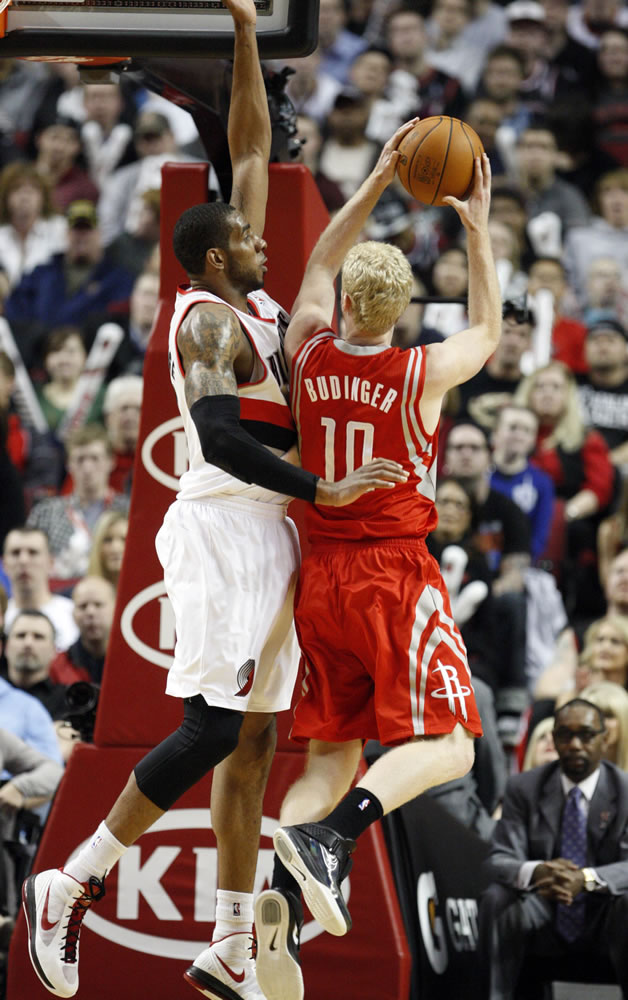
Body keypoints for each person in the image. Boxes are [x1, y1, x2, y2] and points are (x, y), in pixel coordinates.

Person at [21, 5, 406, 1000]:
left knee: (258, 739)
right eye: (243, 236)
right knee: (205, 724)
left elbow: (243, 145)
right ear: (209, 258)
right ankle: (73, 880)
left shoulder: (258, 304)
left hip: (271, 527)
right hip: (225, 522)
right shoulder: (203, 326)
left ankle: (231, 942)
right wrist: (321, 485)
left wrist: (244, 30)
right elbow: (227, 436)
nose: (260, 238)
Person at [251, 142, 500, 998]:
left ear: (348, 301)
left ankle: (276, 897)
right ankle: (336, 838)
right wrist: (478, 231)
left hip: (316, 577)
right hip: (392, 576)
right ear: (401, 308)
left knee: (327, 759)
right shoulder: (420, 372)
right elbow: (491, 330)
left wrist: (376, 179)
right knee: (454, 747)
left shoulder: (309, 351)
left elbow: (320, 263)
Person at [478, 697, 628, 999]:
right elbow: (499, 859)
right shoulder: (524, 787)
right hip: (543, 910)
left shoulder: (624, 790)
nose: (574, 744)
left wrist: (584, 879)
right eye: (564, 735)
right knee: (497, 897)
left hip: (603, 914)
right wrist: (538, 872)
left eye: (585, 735)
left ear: (604, 738)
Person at [26, 424, 129, 587]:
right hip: (60, 594)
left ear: (111, 462)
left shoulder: (128, 510)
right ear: (69, 464)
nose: (87, 468)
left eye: (95, 458)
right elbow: (29, 558)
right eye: (80, 459)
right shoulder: (45, 512)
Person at [490, 402, 555, 562]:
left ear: (533, 439)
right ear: (496, 433)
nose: (519, 435)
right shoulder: (478, 473)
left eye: (527, 430)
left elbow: (539, 538)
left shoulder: (542, 483)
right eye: (513, 428)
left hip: (519, 564)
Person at [2, 528, 78, 652]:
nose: (23, 560)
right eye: (15, 553)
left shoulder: (74, 615)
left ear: (51, 562)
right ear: (4, 564)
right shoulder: (1, 618)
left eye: (33, 552)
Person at [49, 576, 115, 687]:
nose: (90, 612)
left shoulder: (133, 663)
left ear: (116, 609)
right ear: (73, 614)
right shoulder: (57, 667)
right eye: (82, 606)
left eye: (98, 605)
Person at [2, 610, 67, 722]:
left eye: (38, 637)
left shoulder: (67, 703)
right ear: (6, 647)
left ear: (54, 651)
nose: (28, 643)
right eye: (21, 635)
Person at [85, 511, 127, 589]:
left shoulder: (150, 595)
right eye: (107, 540)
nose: (115, 549)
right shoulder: (82, 594)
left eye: (124, 539)